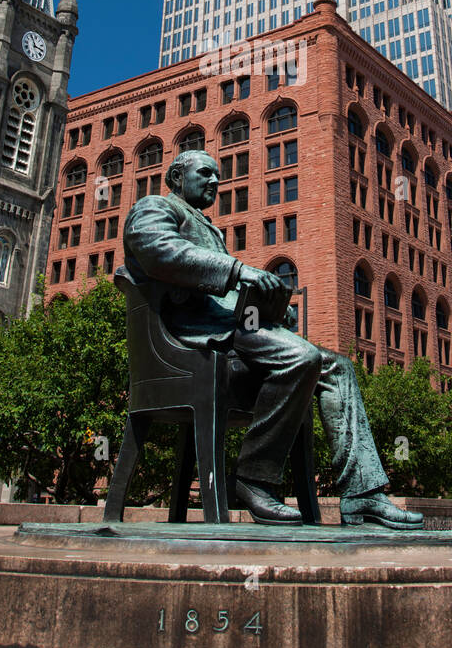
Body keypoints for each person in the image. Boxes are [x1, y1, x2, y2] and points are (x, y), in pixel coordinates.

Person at [122, 149, 423, 529]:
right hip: (191, 340)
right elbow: (159, 253)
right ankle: (253, 480)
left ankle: (362, 495)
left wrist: (272, 310)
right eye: (205, 173)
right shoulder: (154, 208)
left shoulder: (209, 227)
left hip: (233, 330)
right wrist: (238, 271)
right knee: (301, 357)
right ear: (177, 178)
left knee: (338, 367)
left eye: (218, 175)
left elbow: (226, 295)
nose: (216, 181)